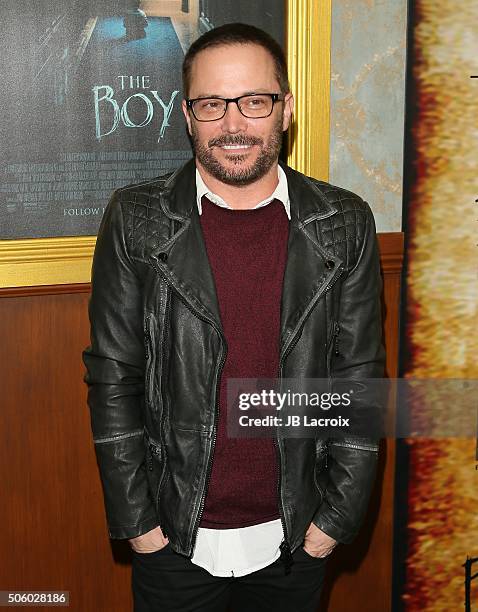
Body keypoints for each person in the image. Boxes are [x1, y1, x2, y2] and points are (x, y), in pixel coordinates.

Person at [83, 22, 385, 612]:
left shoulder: (343, 221)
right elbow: (113, 376)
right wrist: (139, 524)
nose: (233, 123)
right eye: (212, 104)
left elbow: (359, 381)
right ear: (187, 114)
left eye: (254, 101)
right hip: (173, 541)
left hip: (296, 540)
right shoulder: (136, 217)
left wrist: (333, 523)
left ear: (285, 110)